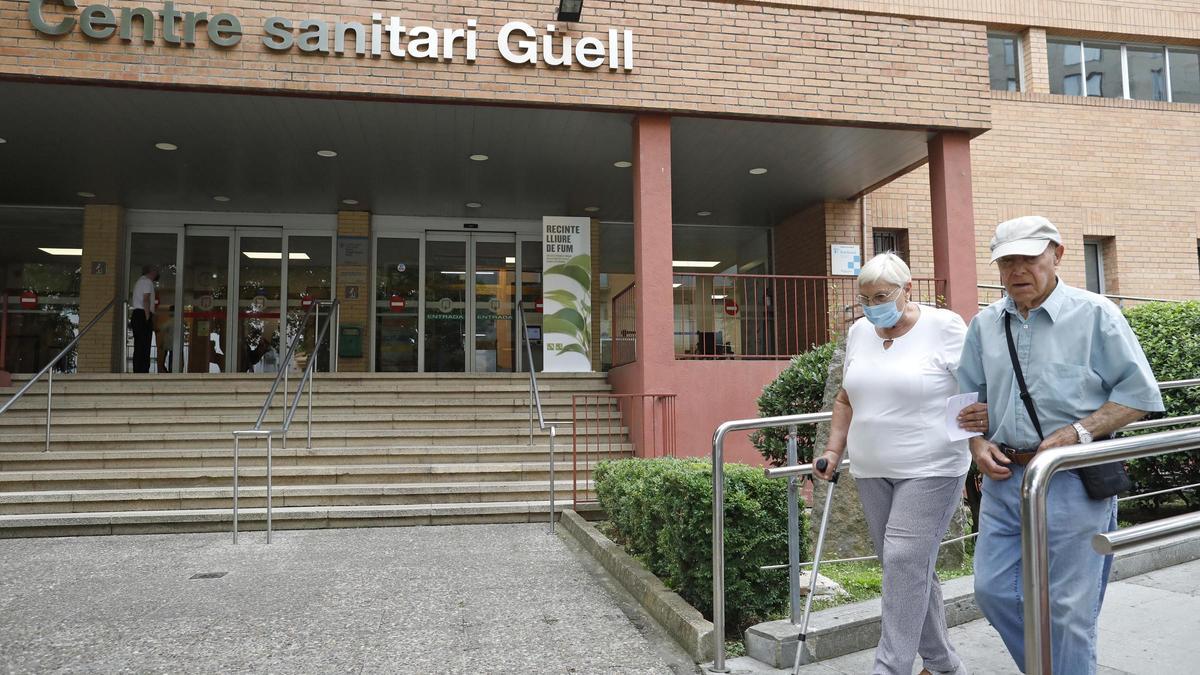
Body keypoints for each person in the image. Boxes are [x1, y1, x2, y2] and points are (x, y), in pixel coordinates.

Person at [956, 216, 1164, 674]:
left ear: (1057, 254)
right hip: (1005, 477)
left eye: (1028, 257)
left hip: (1071, 479)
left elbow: (1138, 396)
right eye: (1006, 260)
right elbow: (967, 400)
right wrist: (974, 443)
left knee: (1068, 609)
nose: (1016, 270)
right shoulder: (986, 324)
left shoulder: (1095, 314)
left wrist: (1076, 433)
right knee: (992, 591)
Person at [815, 252, 984, 675]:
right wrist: (834, 452)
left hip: (932, 465)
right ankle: (945, 665)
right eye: (865, 297)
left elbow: (971, 394)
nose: (873, 305)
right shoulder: (859, 332)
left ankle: (889, 666)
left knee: (904, 558)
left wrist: (979, 446)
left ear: (908, 290)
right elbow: (844, 398)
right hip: (871, 468)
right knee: (907, 565)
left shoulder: (943, 326)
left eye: (882, 296)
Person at [129, 265, 158, 373]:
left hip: (137, 314)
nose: (157, 273)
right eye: (156, 271)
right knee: (145, 345)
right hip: (142, 314)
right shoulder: (147, 282)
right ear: (151, 271)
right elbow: (146, 299)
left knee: (139, 344)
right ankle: (143, 370)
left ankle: (137, 369)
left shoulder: (139, 281)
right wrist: (147, 317)